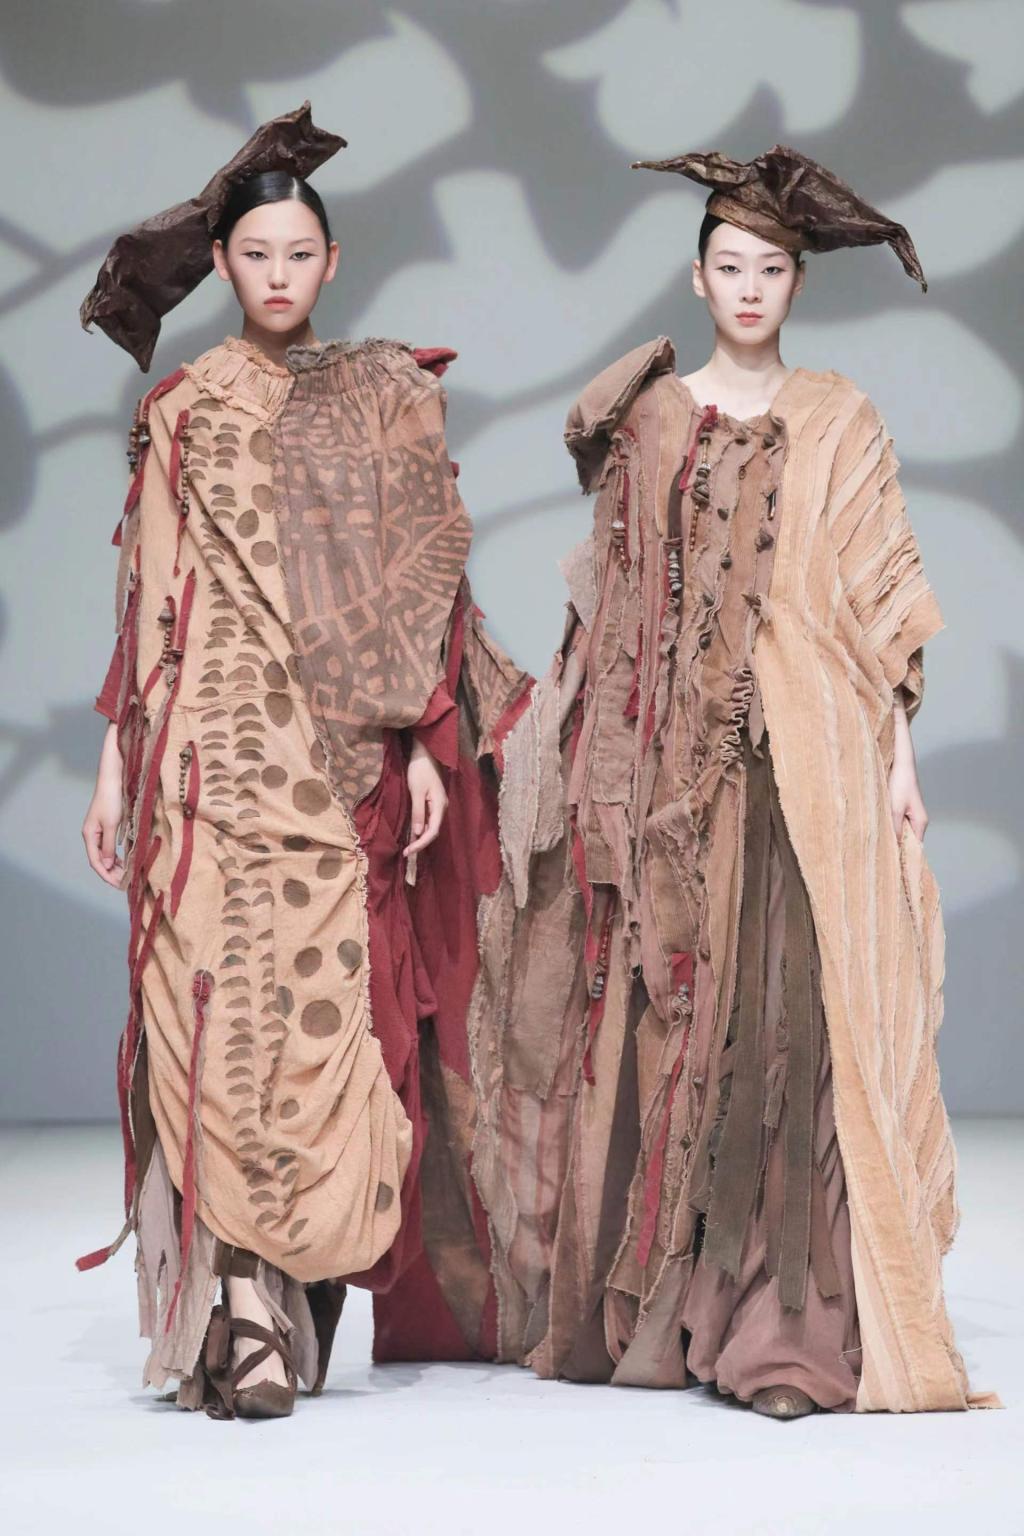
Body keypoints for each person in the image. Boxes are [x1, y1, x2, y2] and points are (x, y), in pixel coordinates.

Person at [468, 145, 1000, 1417]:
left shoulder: (841, 421)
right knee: (682, 1029)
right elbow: (618, 618)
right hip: (676, 786)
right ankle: (682, 1315)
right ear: (697, 277)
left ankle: (788, 1335)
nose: (749, 287)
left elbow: (878, 621)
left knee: (796, 1031)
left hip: (812, 769)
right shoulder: (653, 421)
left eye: (770, 268)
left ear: (795, 282)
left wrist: (899, 769)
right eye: (729, 266)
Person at [79, 103, 531, 1419]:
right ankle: (241, 1309)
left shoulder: (379, 399)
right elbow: (147, 597)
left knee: (327, 1030)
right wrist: (115, 766)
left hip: (333, 764)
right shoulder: (181, 410)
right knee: (207, 1020)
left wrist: (426, 740)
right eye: (255, 253)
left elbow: (422, 584)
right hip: (201, 762)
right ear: (223, 265)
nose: (277, 274)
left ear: (331, 263)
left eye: (298, 254)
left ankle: (297, 1295)